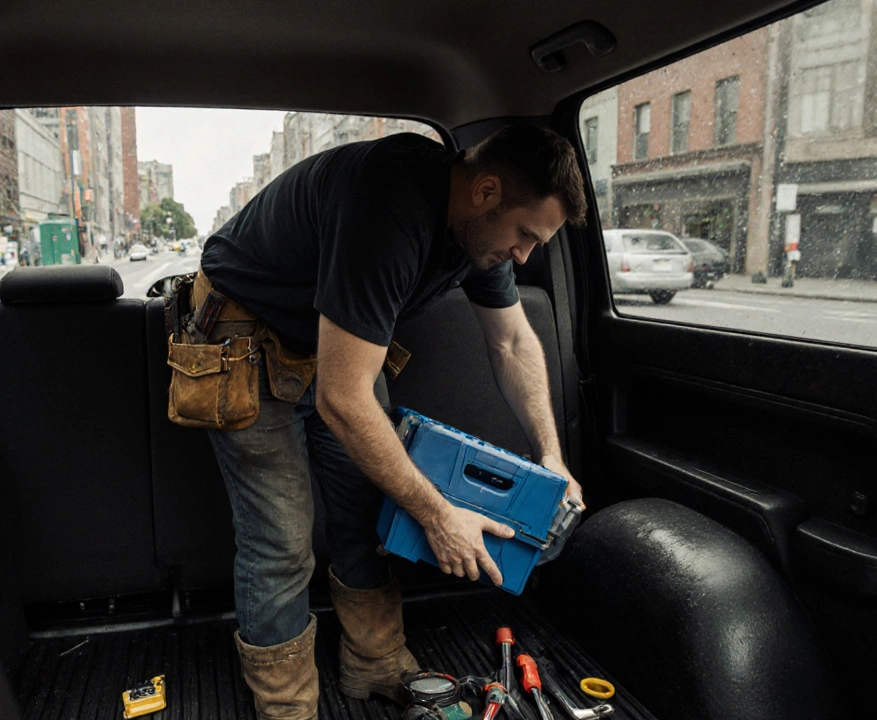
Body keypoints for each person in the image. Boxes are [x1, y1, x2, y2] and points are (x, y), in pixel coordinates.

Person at [195, 125, 587, 719]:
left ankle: (373, 665)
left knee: (369, 511)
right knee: (280, 540)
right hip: (245, 335)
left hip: (333, 346)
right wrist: (440, 517)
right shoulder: (387, 205)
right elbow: (344, 400)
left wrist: (552, 456)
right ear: (485, 192)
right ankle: (287, 707)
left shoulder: (478, 232)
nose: (525, 256)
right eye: (525, 235)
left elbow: (510, 342)